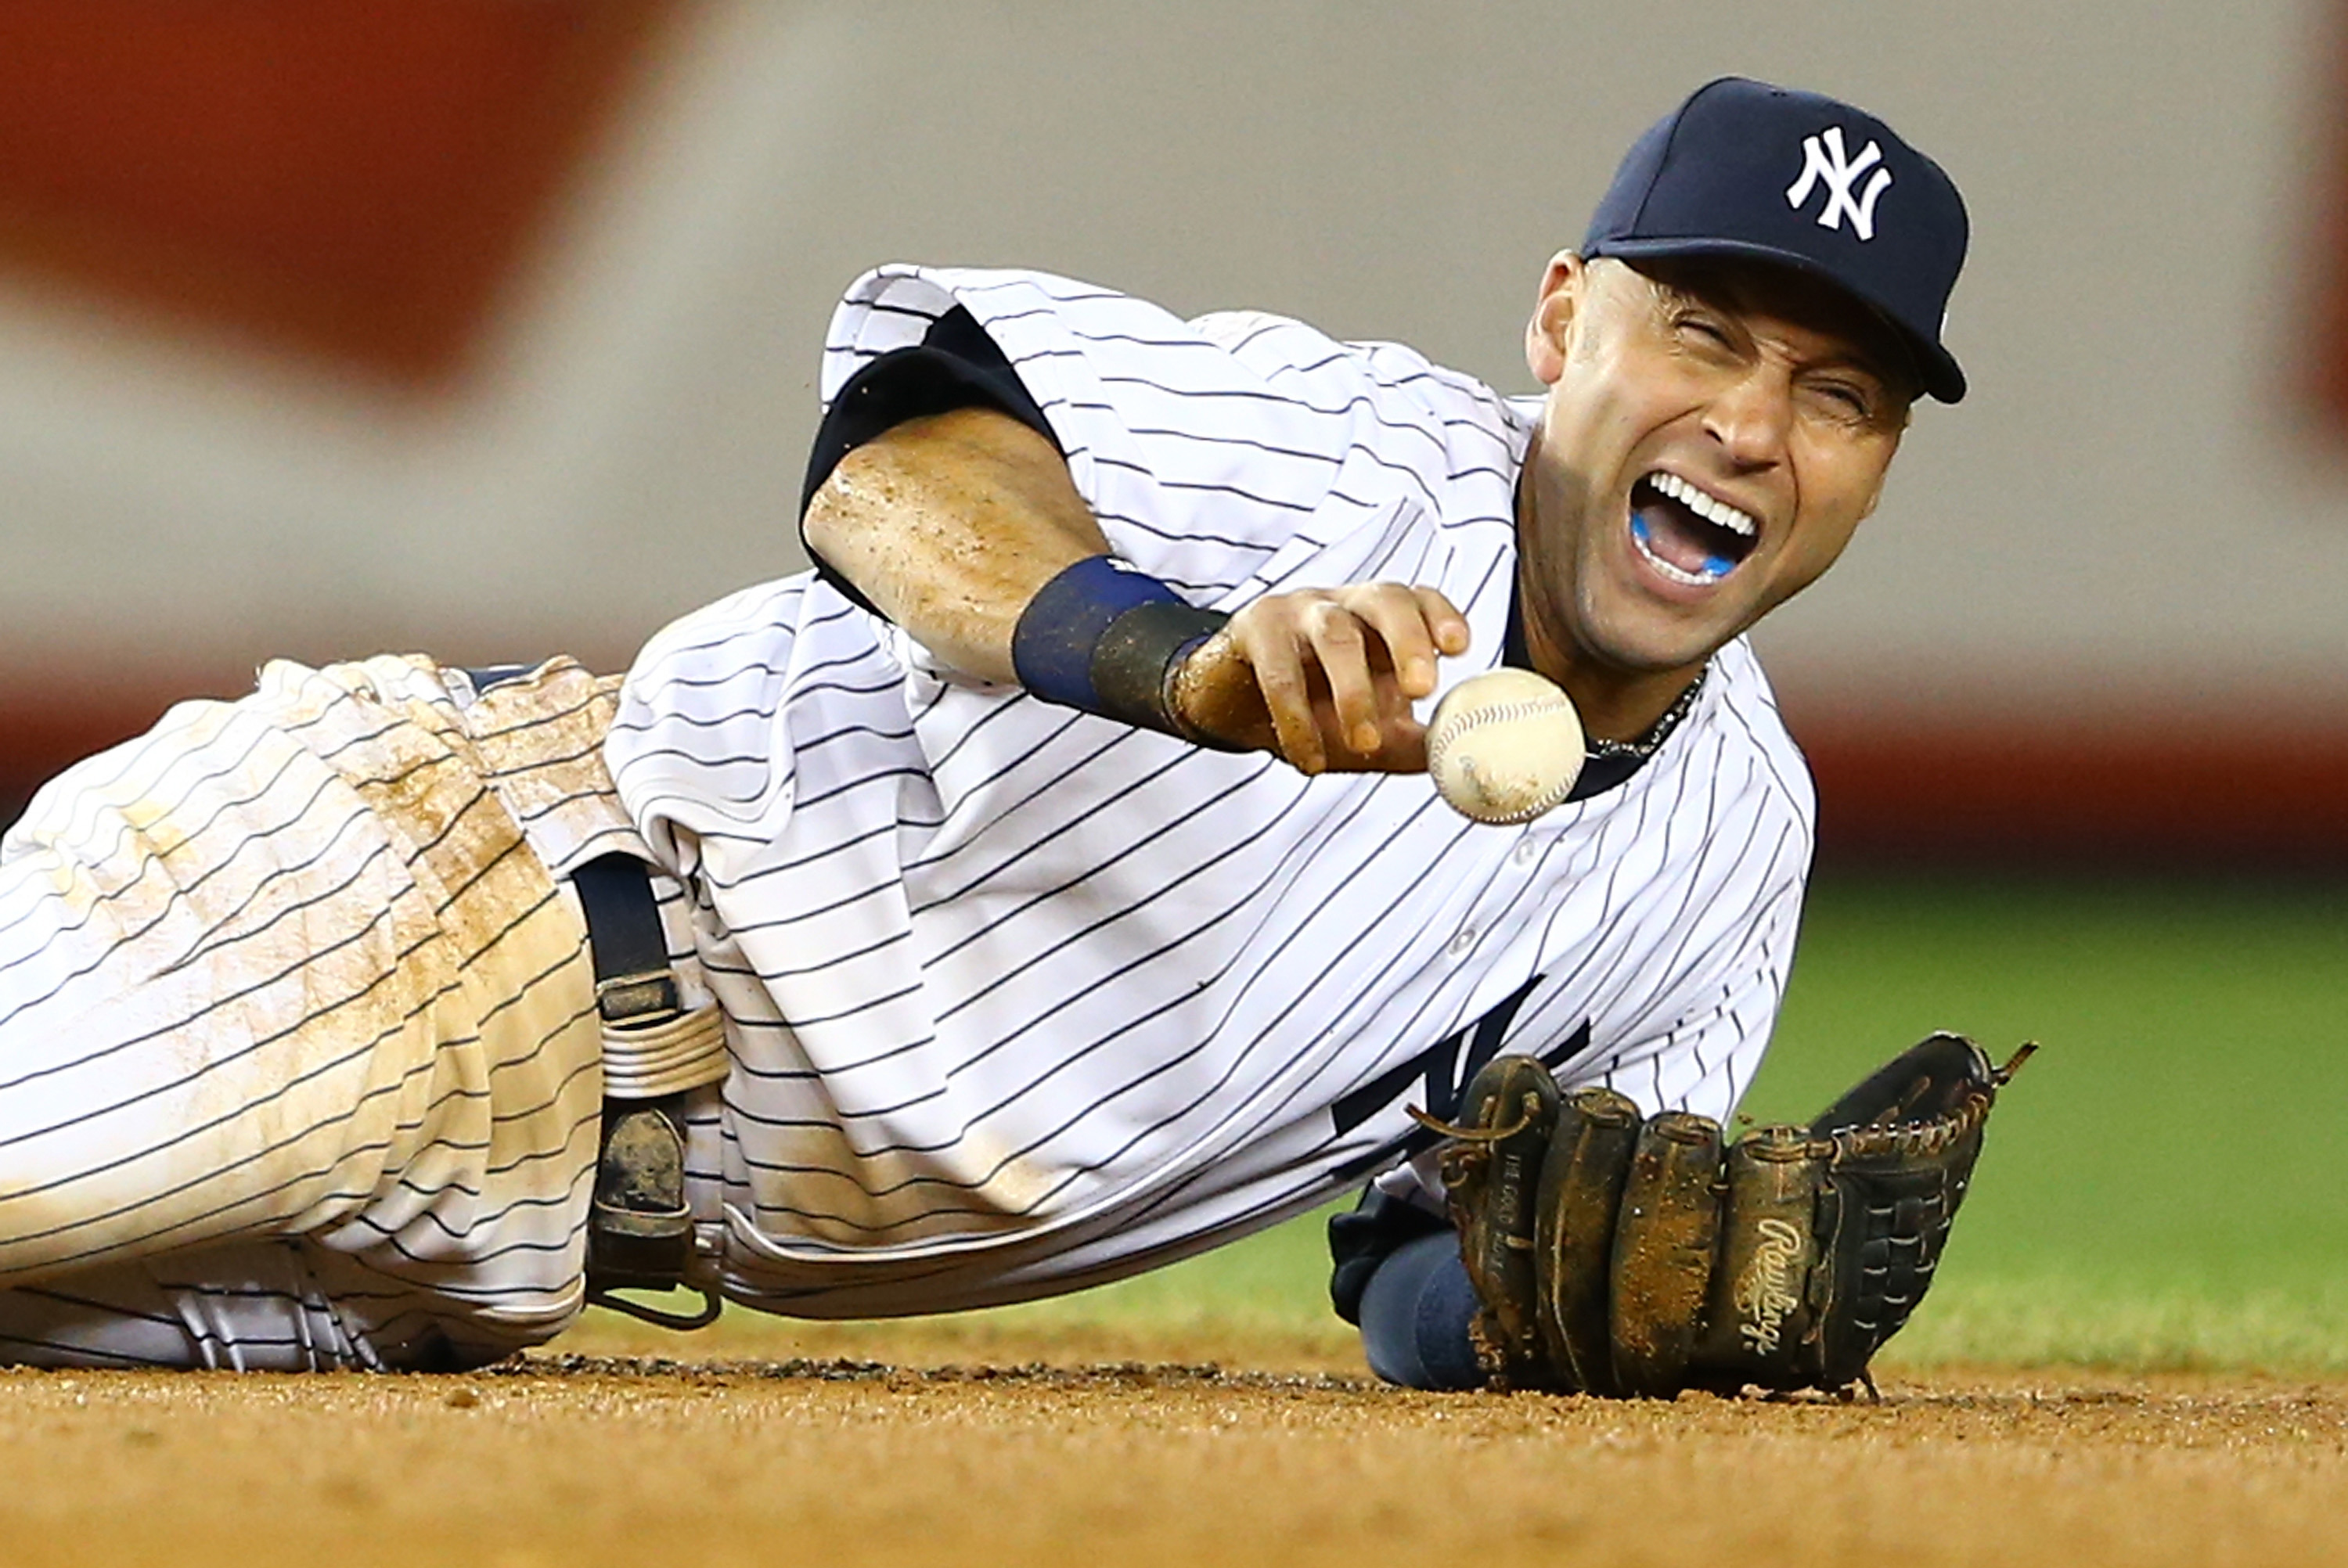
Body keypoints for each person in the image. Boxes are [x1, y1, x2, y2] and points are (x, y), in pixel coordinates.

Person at [0, 77, 1967, 1378]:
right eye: (1701, 333)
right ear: (1561, 327)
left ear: (1875, 468)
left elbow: (1414, 1272)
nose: (1751, 426)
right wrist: (1171, 659)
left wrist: (1590, 1324)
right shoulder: (1353, 456)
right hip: (437, 921)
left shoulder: (1731, 845)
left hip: (493, 1262)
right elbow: (893, 455)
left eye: (1839, 395)